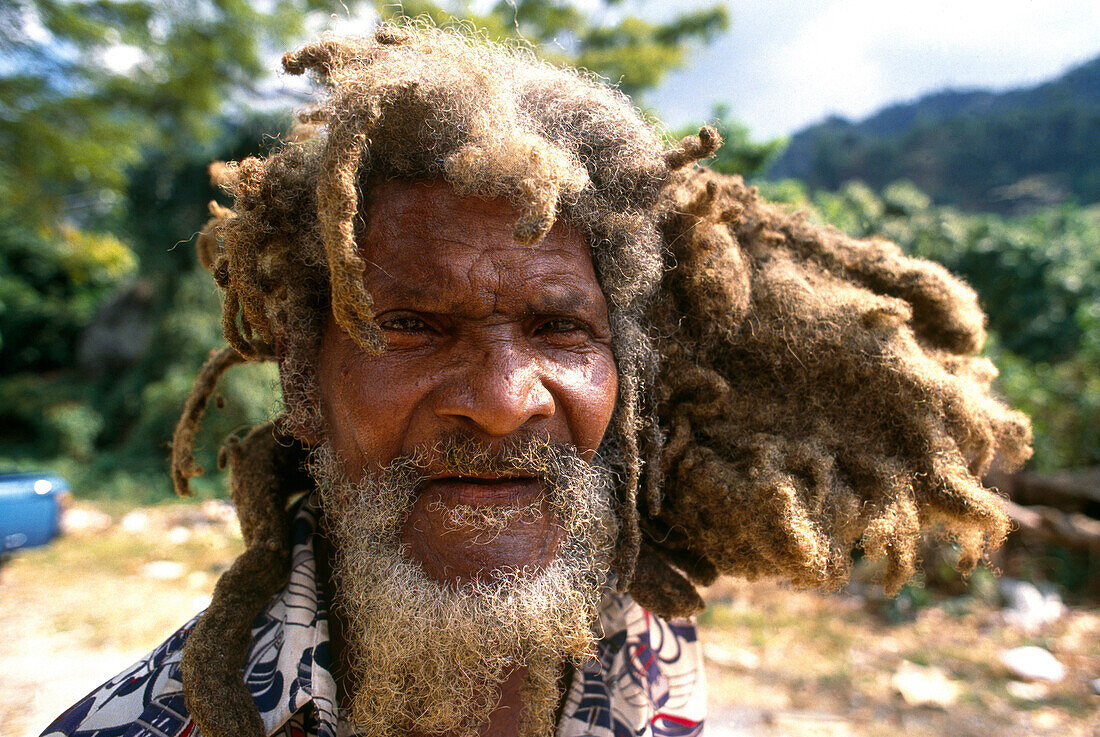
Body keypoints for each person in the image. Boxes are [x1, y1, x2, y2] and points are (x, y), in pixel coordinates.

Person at [42, 23, 1032, 737]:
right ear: (305, 376)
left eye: (559, 327)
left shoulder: (646, 648)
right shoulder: (147, 724)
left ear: (626, 378)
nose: (505, 395)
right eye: (412, 325)